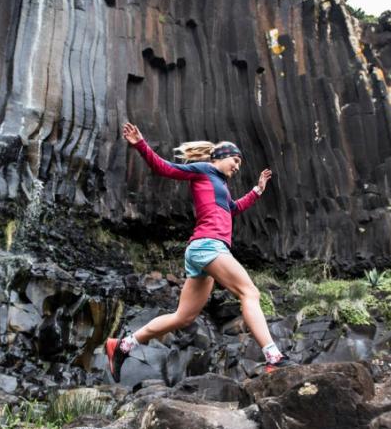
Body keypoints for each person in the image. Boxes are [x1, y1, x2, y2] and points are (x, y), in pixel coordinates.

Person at [105, 122, 296, 381]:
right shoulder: (204, 170)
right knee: (249, 292)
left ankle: (123, 345)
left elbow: (233, 209)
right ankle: (274, 357)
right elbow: (164, 167)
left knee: (183, 317)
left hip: (202, 250)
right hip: (208, 245)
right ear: (220, 157)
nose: (237, 167)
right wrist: (140, 144)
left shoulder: (220, 185)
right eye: (235, 160)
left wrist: (257, 190)